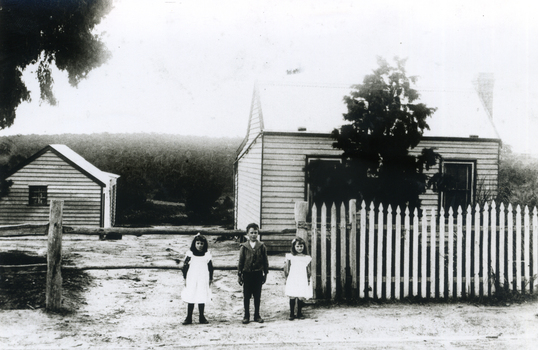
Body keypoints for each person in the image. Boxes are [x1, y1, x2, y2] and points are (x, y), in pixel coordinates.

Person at [237, 223, 269, 324]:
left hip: (258, 274)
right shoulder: (244, 247)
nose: (253, 235)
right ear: (247, 234)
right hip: (247, 274)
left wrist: (265, 274)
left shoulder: (262, 246)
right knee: (246, 296)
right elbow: (241, 262)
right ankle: (246, 315)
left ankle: (257, 315)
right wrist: (239, 274)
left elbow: (265, 261)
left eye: (255, 233)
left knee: (257, 296)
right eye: (251, 233)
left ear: (258, 233)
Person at [181, 233, 213, 325]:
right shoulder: (190, 254)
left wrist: (210, 278)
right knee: (191, 295)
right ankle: (189, 317)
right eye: (198, 243)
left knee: (201, 295)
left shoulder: (207, 255)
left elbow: (210, 268)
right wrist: (185, 278)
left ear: (204, 244)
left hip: (203, 278)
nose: (199, 245)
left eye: (201, 244)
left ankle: (201, 317)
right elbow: (185, 267)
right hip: (192, 278)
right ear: (194, 244)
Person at [284, 237, 312, 320]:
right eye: (297, 246)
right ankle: (292, 313)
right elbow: (287, 268)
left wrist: (308, 278)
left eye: (301, 246)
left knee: (300, 295)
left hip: (302, 277)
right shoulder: (291, 257)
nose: (299, 248)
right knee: (292, 295)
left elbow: (308, 269)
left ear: (304, 247)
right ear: (294, 247)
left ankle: (299, 313)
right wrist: (286, 277)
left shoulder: (306, 257)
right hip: (293, 277)